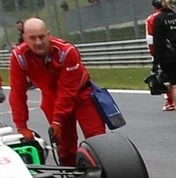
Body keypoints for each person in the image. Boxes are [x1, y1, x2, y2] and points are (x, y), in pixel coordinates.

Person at [8, 18, 107, 165]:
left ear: (48, 35)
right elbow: (17, 92)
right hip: (51, 97)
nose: (38, 42)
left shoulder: (67, 51)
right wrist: (21, 126)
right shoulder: (19, 57)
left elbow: (68, 91)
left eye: (41, 37)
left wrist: (57, 120)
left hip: (81, 95)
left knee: (97, 139)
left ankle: (106, 172)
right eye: (32, 38)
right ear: (24, 38)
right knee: (65, 146)